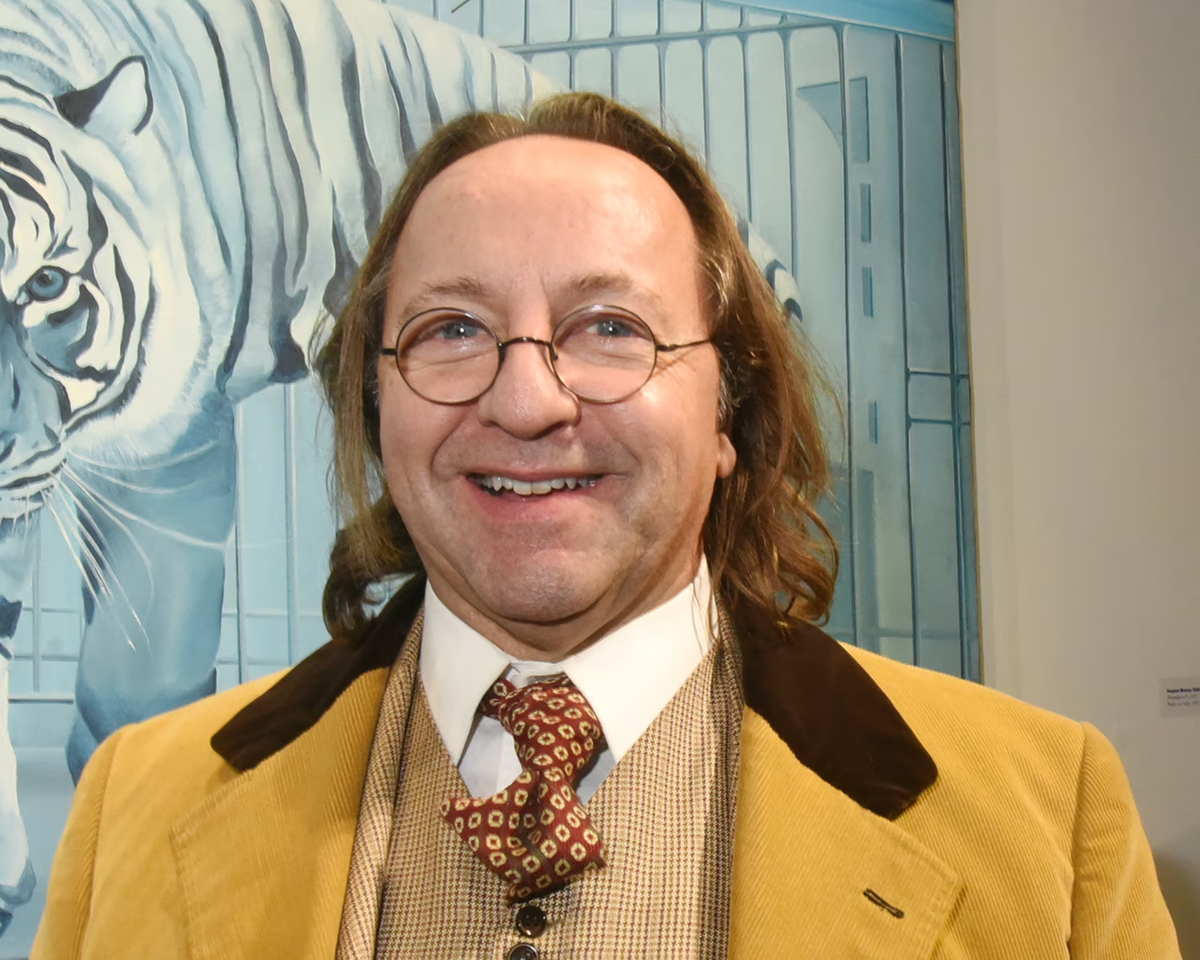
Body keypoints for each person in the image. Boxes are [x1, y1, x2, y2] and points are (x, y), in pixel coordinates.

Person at [33, 92, 1179, 959]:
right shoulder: (137, 807)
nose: (527, 400)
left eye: (611, 328)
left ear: (729, 409)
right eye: (450, 329)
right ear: (375, 407)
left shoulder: (1043, 825)